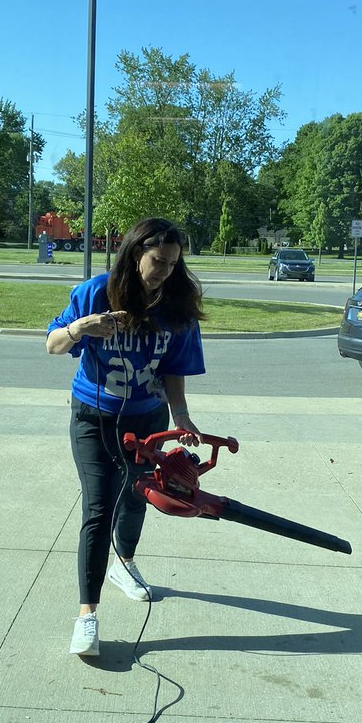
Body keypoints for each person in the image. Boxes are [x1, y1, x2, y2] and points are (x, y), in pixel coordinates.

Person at [47, 218, 206, 657]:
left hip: (148, 420)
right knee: (99, 507)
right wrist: (82, 328)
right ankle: (87, 615)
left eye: (173, 263)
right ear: (136, 254)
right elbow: (53, 344)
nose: (165, 271)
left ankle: (125, 563)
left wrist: (182, 414)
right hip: (93, 417)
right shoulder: (96, 292)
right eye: (158, 260)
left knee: (137, 497)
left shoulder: (174, 304)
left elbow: (174, 367)